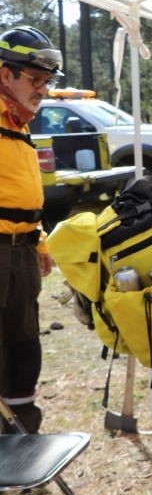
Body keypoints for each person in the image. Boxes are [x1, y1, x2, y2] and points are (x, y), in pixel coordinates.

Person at [0, 26, 58, 434]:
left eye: (46, 82)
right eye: (34, 79)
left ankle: (22, 437)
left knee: (24, 347)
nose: (42, 90)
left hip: (20, 252)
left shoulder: (19, 124)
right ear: (6, 74)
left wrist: (37, 240)